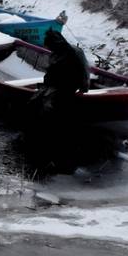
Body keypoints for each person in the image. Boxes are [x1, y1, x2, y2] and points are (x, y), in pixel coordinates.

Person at [26, 29, 90, 172]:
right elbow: (51, 73)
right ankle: (36, 142)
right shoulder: (57, 53)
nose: (49, 49)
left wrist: (84, 87)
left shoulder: (74, 52)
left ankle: (52, 155)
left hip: (65, 89)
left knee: (49, 114)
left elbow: (84, 70)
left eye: (49, 46)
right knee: (34, 105)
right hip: (54, 87)